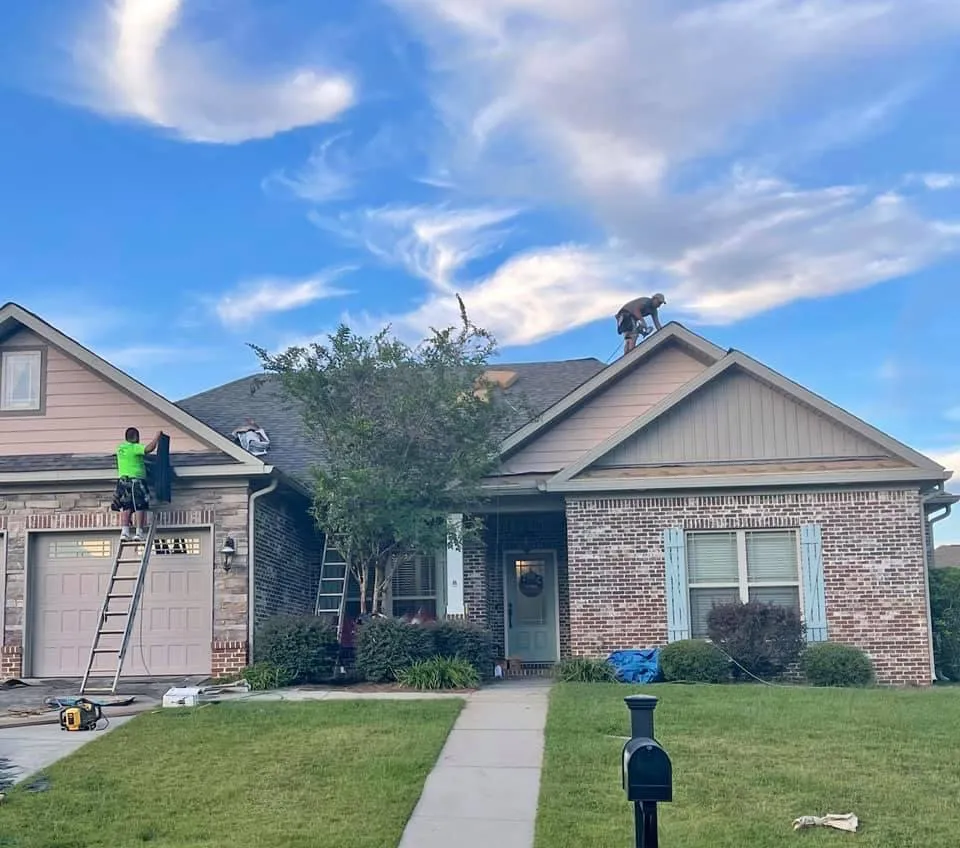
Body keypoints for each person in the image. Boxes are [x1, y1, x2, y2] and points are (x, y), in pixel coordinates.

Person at [111, 427, 162, 541]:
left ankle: (125, 532)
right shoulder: (134, 448)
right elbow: (149, 448)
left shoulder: (121, 448)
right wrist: (157, 437)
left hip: (123, 482)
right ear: (135, 437)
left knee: (125, 506)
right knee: (140, 506)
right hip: (136, 482)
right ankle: (139, 532)